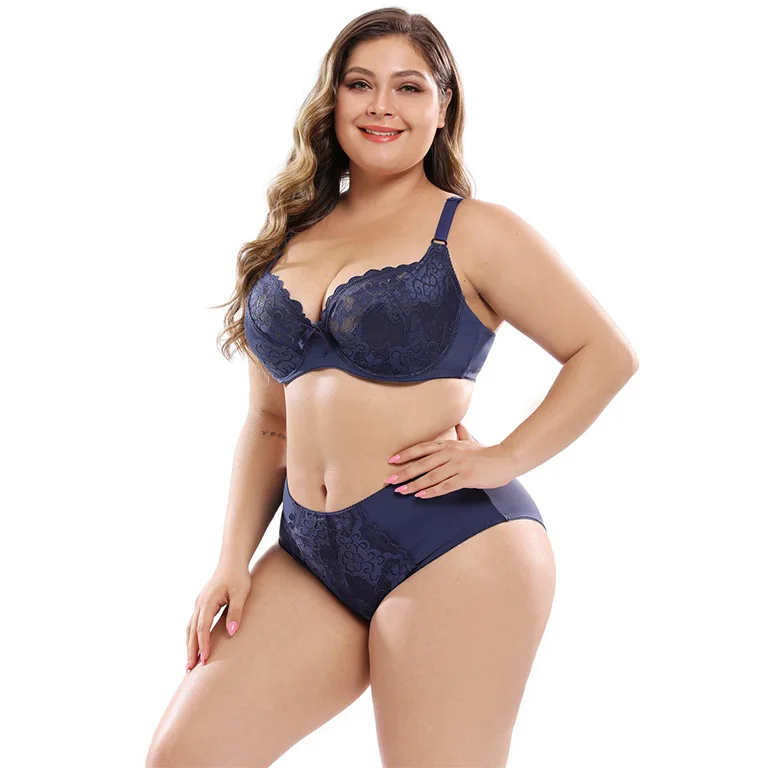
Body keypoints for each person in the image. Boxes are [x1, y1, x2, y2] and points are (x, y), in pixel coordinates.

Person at [146, 8, 638, 767]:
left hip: (456, 547)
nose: (382, 106)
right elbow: (270, 422)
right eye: (360, 84)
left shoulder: (476, 231)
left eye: (409, 87)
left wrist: (505, 458)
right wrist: (230, 560)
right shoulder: (287, 240)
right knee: (185, 757)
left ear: (443, 107)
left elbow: (603, 354)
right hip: (309, 553)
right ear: (332, 99)